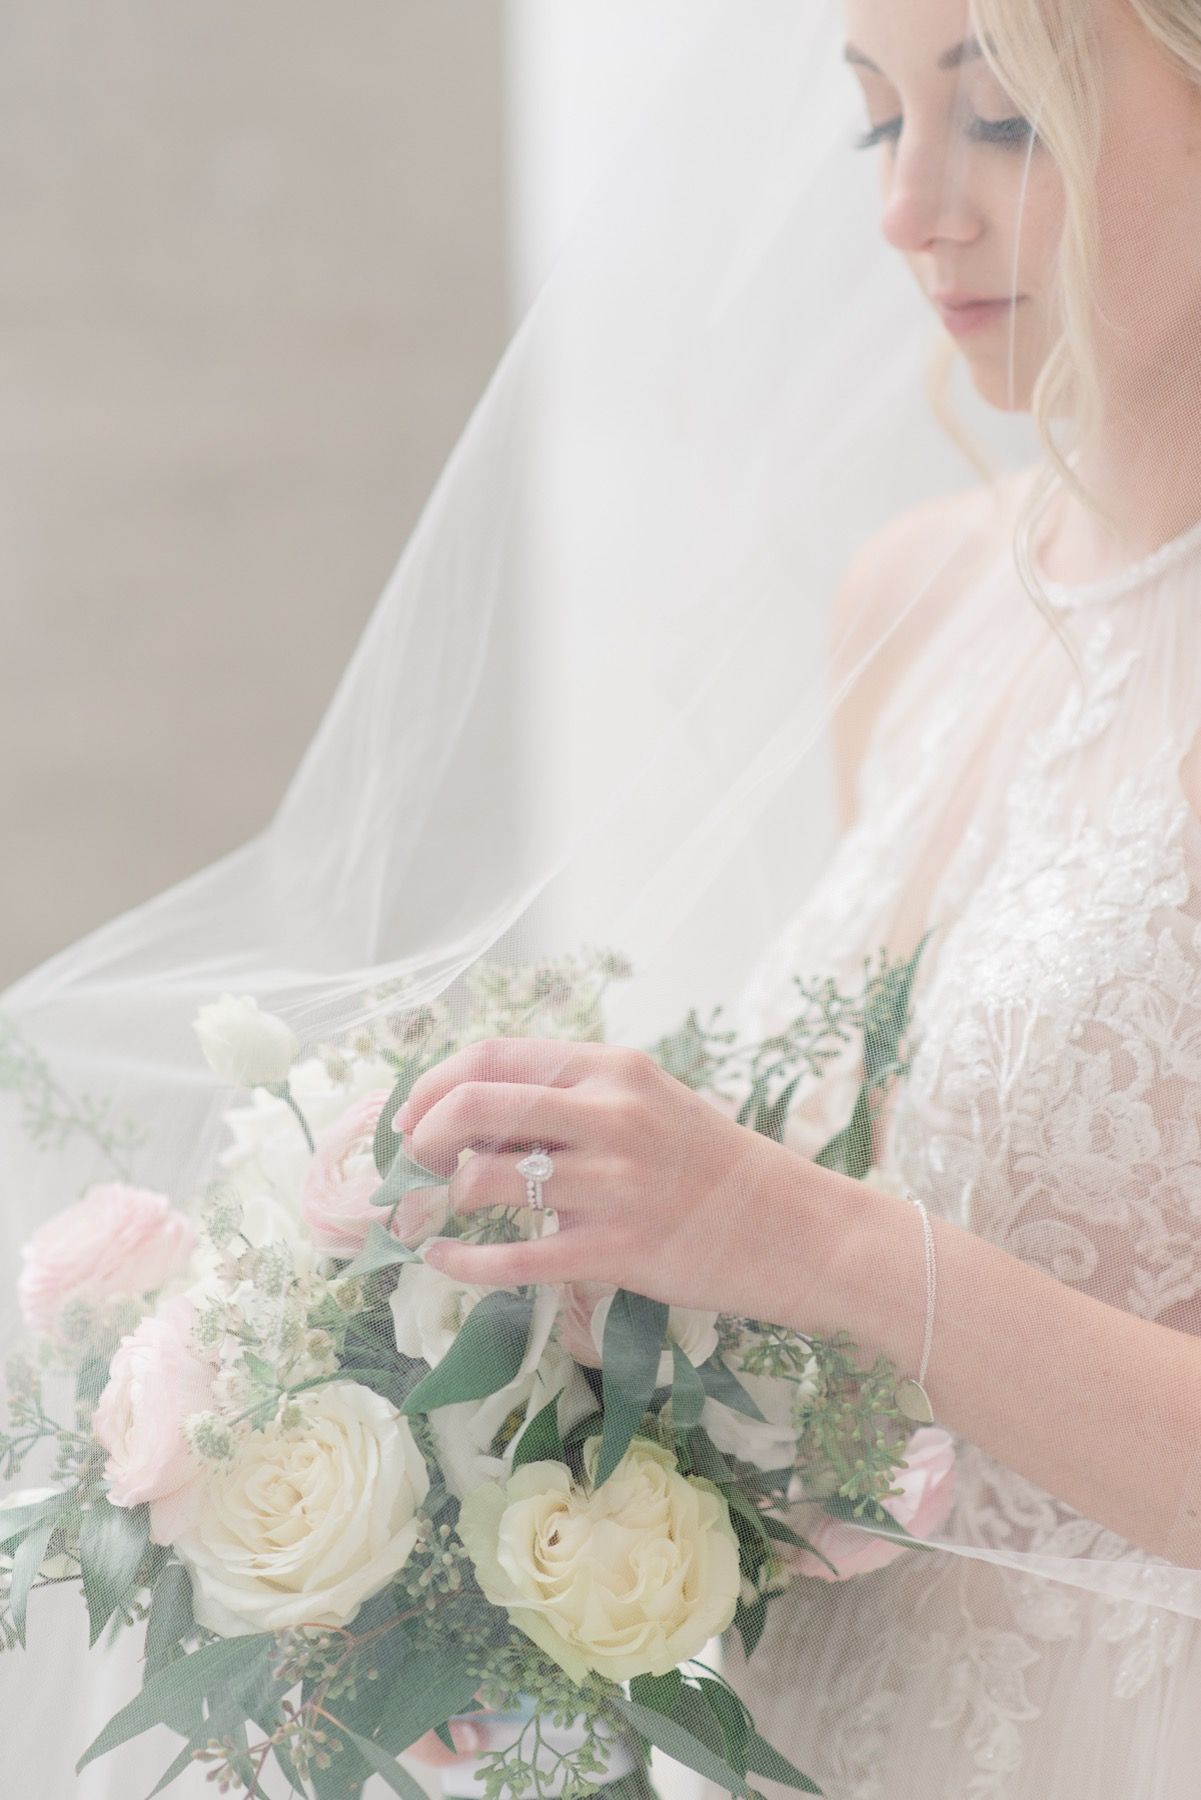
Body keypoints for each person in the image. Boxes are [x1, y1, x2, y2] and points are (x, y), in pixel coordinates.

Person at [401, 1, 1201, 1793]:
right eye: (874, 127)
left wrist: (791, 1234)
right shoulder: (909, 605)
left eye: (997, 120)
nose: (910, 207)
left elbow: (839, 1240)